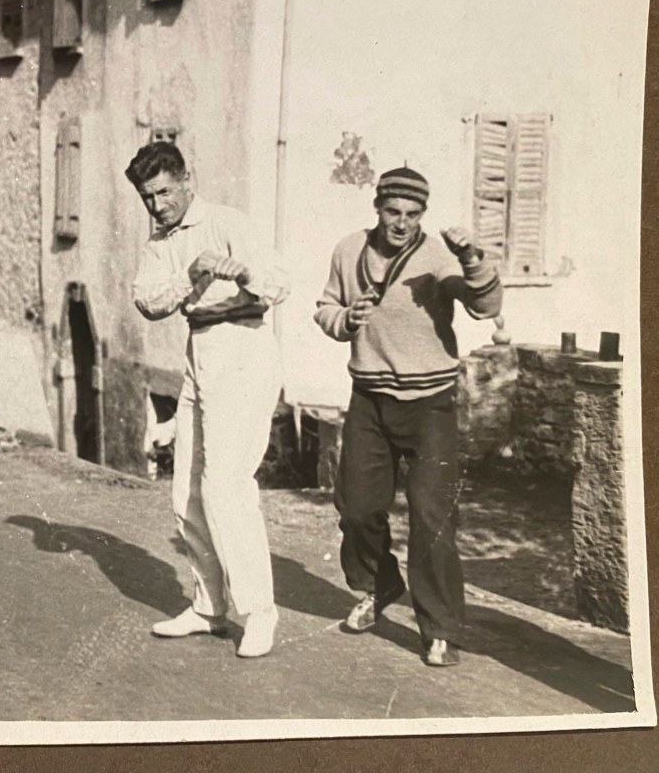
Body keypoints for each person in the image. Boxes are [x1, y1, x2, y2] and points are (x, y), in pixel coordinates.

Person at [314, 166, 502, 667]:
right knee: (356, 508)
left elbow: (485, 306)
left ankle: (439, 628)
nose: (401, 223)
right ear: (377, 208)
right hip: (369, 399)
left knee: (432, 518)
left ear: (423, 214)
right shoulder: (348, 249)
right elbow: (326, 308)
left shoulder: (438, 255)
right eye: (393, 212)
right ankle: (376, 587)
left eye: (412, 214)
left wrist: (472, 259)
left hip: (430, 406)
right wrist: (343, 320)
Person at [125, 142, 290, 659]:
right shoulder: (160, 241)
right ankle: (209, 605)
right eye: (148, 197)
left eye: (165, 192)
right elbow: (148, 301)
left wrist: (242, 273)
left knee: (226, 486)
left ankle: (260, 611)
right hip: (199, 354)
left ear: (187, 180)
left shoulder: (228, 221)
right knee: (186, 492)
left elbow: (279, 284)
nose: (158, 205)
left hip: (243, 347)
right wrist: (193, 273)